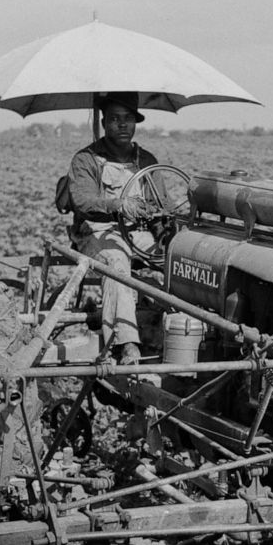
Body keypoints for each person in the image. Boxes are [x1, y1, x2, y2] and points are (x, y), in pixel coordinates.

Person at [67, 92, 160, 366]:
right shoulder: (86, 160)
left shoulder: (147, 159)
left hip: (136, 231)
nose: (122, 125)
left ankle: (169, 332)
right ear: (104, 122)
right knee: (116, 263)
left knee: (172, 263)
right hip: (95, 229)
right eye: (115, 119)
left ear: (135, 123)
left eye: (128, 119)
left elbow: (161, 202)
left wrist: (152, 211)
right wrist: (118, 204)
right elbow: (82, 200)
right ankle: (125, 344)